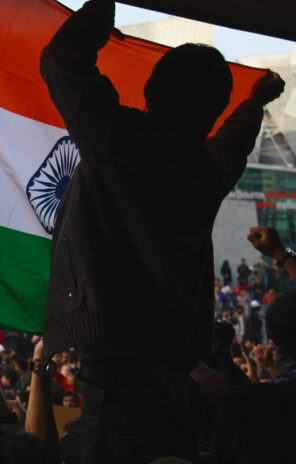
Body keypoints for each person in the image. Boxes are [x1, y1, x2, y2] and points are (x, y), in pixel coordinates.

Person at [39, 0, 284, 461]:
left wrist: (102, 5)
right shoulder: (208, 169)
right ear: (213, 110)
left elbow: (61, 59)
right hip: (174, 369)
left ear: (150, 88)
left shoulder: (118, 141)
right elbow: (234, 143)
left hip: (113, 372)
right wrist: (254, 102)